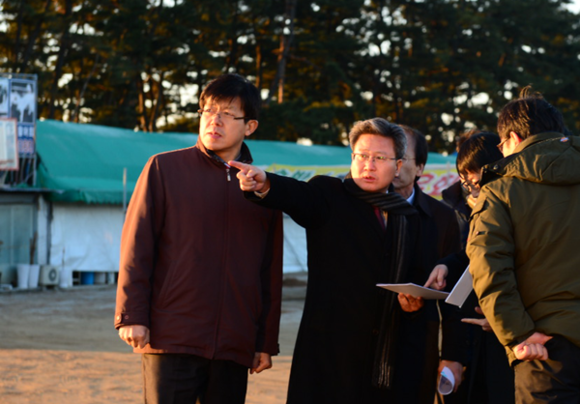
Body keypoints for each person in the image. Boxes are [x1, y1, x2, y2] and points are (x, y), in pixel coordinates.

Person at [230, 118, 459, 403]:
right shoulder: (330, 195)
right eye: (362, 156)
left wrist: (413, 304)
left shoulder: (409, 216)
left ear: (398, 165)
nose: (369, 165)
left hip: (390, 359)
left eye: (379, 158)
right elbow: (297, 195)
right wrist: (264, 183)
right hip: (331, 357)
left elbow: (419, 279)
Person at [114, 73, 284, 404]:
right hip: (172, 335)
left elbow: (269, 271)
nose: (214, 121)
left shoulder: (262, 186)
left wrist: (265, 341)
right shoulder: (164, 169)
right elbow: (137, 247)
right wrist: (132, 315)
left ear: (250, 126)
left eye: (228, 114)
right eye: (208, 111)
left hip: (234, 342)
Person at [466, 87, 580, 403]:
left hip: (544, 348)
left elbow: (489, 267)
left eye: (501, 145)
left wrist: (519, 334)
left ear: (513, 138)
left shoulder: (499, 190)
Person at [427, 132, 514, 404]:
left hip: (514, 337)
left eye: (475, 181)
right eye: (466, 183)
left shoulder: (521, 208)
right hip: (478, 333)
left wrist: (506, 319)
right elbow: (472, 256)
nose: (472, 190)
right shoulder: (471, 210)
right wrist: (446, 265)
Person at [391, 125, 466, 401]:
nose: (393, 165)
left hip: (418, 340)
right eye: (387, 157)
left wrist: (452, 355)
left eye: (401, 158)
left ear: (420, 167)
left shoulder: (442, 217)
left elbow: (454, 293)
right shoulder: (360, 211)